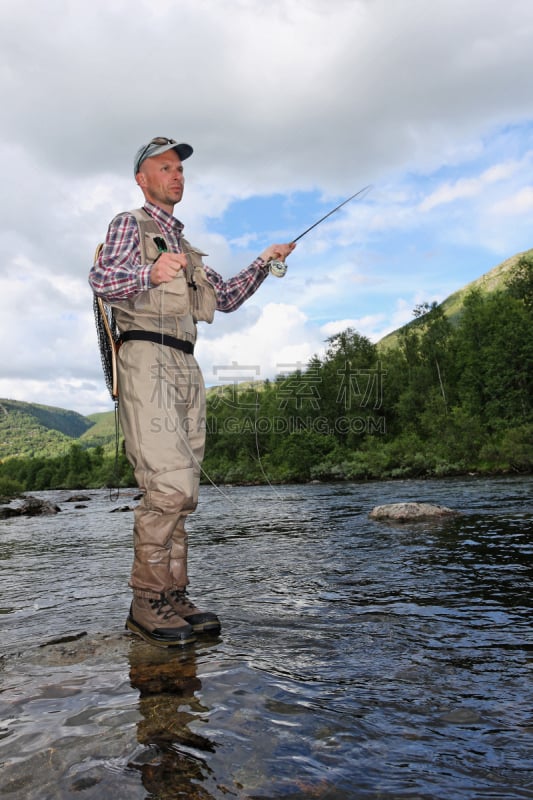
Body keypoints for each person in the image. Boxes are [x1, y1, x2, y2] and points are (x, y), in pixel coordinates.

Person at [89, 136, 295, 648]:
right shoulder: (128, 224)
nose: (177, 175)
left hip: (186, 363)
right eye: (165, 167)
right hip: (145, 357)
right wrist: (147, 271)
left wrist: (265, 261)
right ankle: (146, 602)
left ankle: (174, 594)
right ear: (143, 178)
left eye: (180, 169)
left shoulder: (187, 248)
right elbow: (100, 278)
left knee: (185, 492)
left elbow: (224, 298)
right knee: (167, 486)